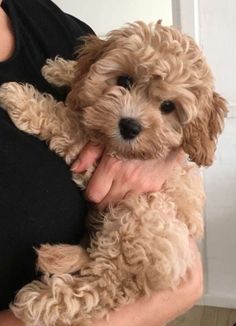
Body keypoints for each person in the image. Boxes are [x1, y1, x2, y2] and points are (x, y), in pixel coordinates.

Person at [0, 0, 203, 325]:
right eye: (124, 84)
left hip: (153, 233)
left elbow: (91, 90)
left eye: (164, 104)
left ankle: (86, 291)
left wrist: (166, 156)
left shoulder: (47, 19)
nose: (131, 113)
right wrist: (176, 295)